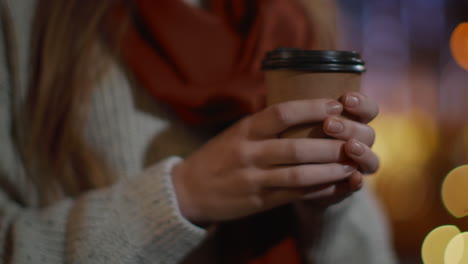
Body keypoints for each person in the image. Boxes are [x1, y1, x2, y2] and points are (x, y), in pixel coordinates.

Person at [0, 0, 397, 263]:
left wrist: (327, 203)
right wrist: (184, 195)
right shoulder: (27, 17)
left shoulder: (298, 14)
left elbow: (371, 254)